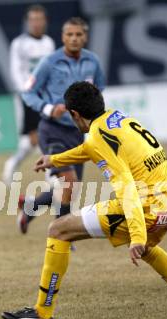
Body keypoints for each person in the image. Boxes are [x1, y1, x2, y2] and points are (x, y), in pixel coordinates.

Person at [2, 81, 167, 319]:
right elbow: (90, 149)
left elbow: (126, 187)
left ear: (74, 114)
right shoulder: (116, 116)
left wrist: (136, 235)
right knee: (146, 248)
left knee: (58, 229)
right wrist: (54, 159)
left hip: (146, 207)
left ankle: (42, 312)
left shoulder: (96, 137)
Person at [18, 17, 105, 234]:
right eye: (70, 35)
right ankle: (62, 233)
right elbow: (28, 92)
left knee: (70, 188)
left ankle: (31, 208)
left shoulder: (93, 62)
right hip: (52, 130)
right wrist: (48, 108)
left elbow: (98, 91)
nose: (74, 39)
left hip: (77, 132)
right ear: (63, 37)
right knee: (69, 180)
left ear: (85, 37)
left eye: (78, 35)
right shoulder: (49, 62)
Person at [1, 4, 55, 186]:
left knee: (39, 137)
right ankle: (51, 176)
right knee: (35, 137)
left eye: (39, 19)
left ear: (45, 21)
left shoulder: (49, 43)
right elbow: (15, 70)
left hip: (46, 96)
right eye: (33, 20)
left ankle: (14, 164)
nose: (36, 23)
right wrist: (26, 91)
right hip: (29, 95)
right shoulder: (19, 44)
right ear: (27, 22)